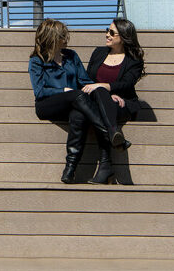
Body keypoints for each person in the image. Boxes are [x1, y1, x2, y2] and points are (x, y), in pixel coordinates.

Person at [28, 18, 126, 184]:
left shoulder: (71, 56)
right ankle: (108, 132)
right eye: (62, 36)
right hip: (48, 104)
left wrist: (105, 95)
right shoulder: (37, 60)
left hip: (74, 103)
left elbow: (85, 81)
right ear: (52, 39)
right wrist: (63, 90)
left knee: (79, 115)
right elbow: (39, 91)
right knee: (77, 95)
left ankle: (70, 169)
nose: (66, 39)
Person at [81, 18, 146, 184]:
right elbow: (87, 79)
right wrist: (104, 94)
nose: (107, 35)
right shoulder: (98, 53)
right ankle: (114, 135)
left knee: (102, 110)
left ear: (123, 37)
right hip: (97, 99)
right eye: (107, 30)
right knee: (97, 106)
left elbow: (127, 83)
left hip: (123, 103)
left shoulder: (134, 60)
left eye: (111, 33)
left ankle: (105, 166)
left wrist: (104, 87)